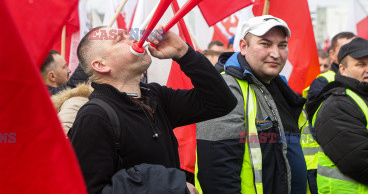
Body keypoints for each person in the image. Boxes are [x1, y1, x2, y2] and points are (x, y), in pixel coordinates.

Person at [69, 26, 237, 194]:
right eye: (120, 39)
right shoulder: (94, 117)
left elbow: (221, 102)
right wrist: (171, 185)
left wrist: (183, 52)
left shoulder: (155, 97)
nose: (134, 38)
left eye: (128, 34)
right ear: (101, 65)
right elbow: (91, 190)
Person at [195, 15, 307, 194]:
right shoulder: (227, 88)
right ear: (243, 47)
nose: (276, 54)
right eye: (265, 44)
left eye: (282, 45)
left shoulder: (279, 86)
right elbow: (217, 170)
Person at [306, 37, 368, 192]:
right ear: (342, 69)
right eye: (361, 64)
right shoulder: (337, 105)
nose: (367, 69)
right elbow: (359, 162)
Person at [306, 32, 355, 101]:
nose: (351, 53)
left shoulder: (363, 77)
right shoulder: (322, 82)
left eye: (355, 49)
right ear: (332, 54)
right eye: (344, 49)